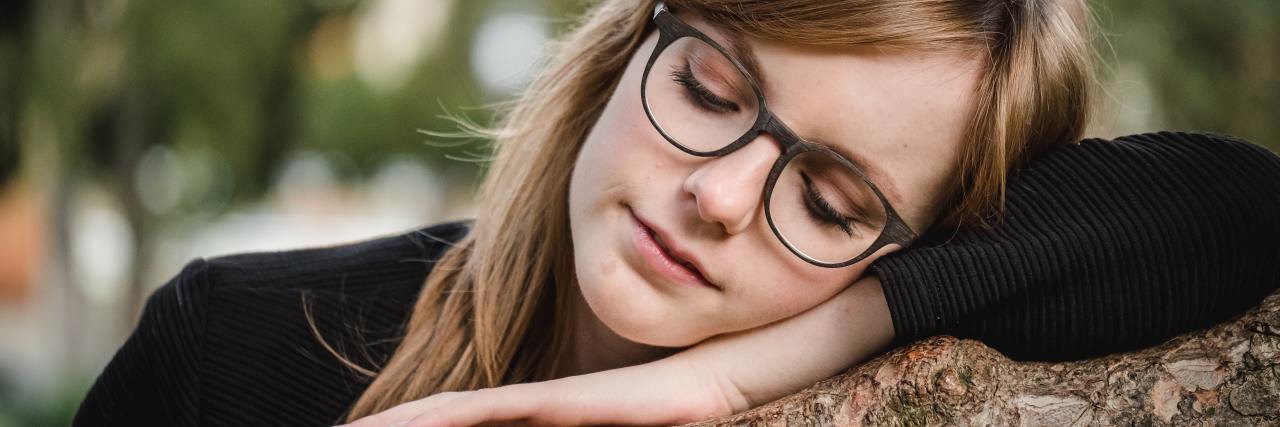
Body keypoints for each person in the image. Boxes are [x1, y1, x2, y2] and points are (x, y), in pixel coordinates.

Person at [74, 0, 1280, 426]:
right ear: (630, 41)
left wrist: (734, 377)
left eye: (826, 195)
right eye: (711, 90)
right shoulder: (226, 349)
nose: (715, 196)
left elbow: (1240, 206)